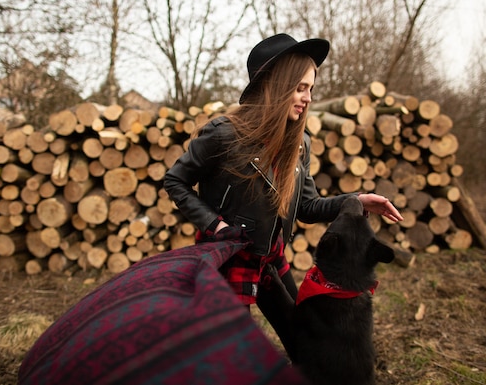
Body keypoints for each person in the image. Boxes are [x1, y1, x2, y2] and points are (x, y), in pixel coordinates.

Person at [164, 33, 402, 354]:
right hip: (228, 262)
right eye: (300, 88)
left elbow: (306, 205)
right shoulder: (222, 134)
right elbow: (175, 180)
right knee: (237, 358)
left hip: (271, 258)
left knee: (303, 342)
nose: (307, 98)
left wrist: (355, 201)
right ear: (275, 86)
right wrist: (215, 226)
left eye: (311, 90)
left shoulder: (298, 143)